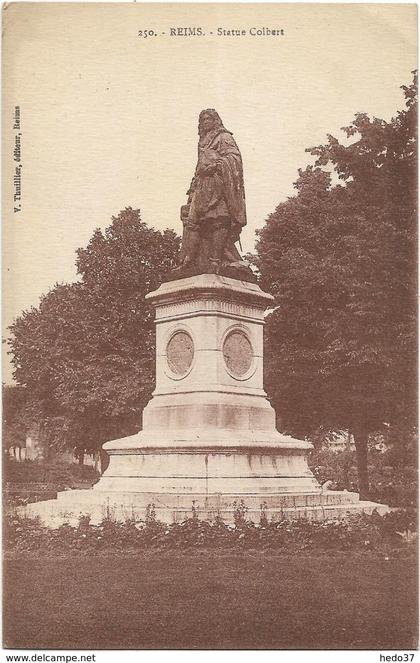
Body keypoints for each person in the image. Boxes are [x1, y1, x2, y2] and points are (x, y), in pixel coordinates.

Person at [178, 109, 247, 273]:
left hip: (219, 185)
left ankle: (216, 259)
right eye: (201, 120)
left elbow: (234, 158)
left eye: (208, 119)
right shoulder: (202, 142)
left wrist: (216, 166)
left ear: (215, 120)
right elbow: (198, 168)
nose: (204, 122)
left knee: (219, 219)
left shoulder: (224, 137)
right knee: (193, 222)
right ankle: (189, 258)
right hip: (202, 187)